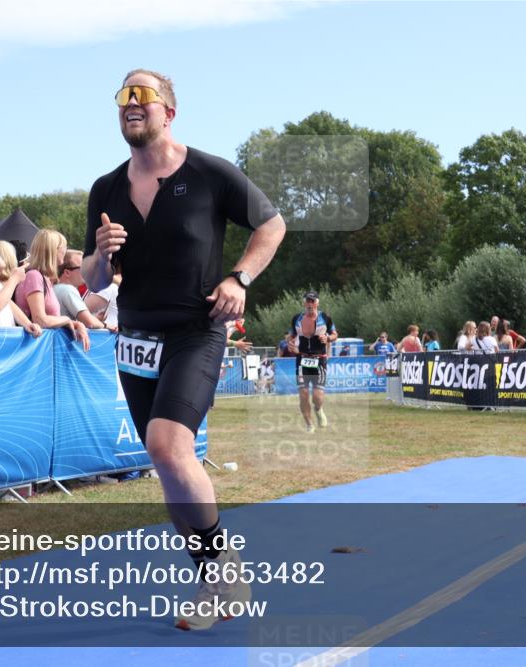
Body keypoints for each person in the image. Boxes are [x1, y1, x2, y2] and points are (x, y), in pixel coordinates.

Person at [79, 69, 285, 631]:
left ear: (170, 111)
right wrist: (98, 253)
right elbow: (92, 276)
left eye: (143, 95)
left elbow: (272, 225)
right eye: (124, 96)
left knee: (168, 445)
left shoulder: (210, 173)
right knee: (168, 461)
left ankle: (224, 572)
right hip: (135, 338)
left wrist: (240, 279)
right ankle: (213, 579)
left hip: (197, 328)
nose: (131, 103)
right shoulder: (106, 188)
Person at [17, 229, 90, 351]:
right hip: (33, 351)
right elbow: (40, 320)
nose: (65, 251)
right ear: (53, 250)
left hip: (41, 349)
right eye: (63, 247)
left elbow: (49, 319)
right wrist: (67, 320)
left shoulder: (44, 278)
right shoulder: (34, 276)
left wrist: (75, 324)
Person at [288, 291, 337, 433]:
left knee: (317, 397)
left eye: (313, 301)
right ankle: (309, 425)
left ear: (317, 303)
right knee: (303, 394)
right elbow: (291, 336)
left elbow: (335, 334)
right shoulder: (297, 318)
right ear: (304, 303)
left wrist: (328, 338)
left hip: (319, 359)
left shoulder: (325, 318)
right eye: (307, 301)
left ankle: (318, 409)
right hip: (302, 359)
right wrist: (291, 344)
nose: (310, 304)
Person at [54, 249, 106, 330]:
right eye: (82, 267)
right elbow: (90, 322)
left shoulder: (55, 288)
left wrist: (94, 319)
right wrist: (106, 326)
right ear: (67, 272)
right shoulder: (68, 289)